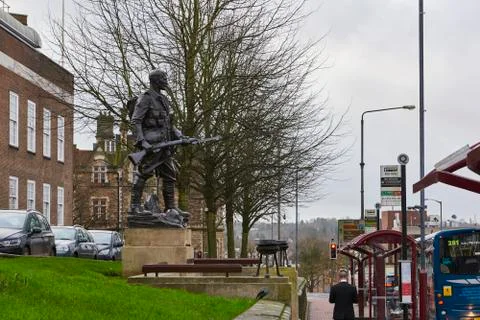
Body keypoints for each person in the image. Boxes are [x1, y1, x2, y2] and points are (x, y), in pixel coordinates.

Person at [129, 69, 190, 224]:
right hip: (151, 144)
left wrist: (181, 136)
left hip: (165, 145)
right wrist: (142, 142)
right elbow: (135, 121)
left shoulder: (163, 99)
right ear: (156, 80)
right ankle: (134, 206)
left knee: (170, 174)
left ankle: (170, 208)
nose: (166, 81)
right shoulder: (146, 98)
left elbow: (169, 124)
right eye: (163, 78)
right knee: (144, 173)